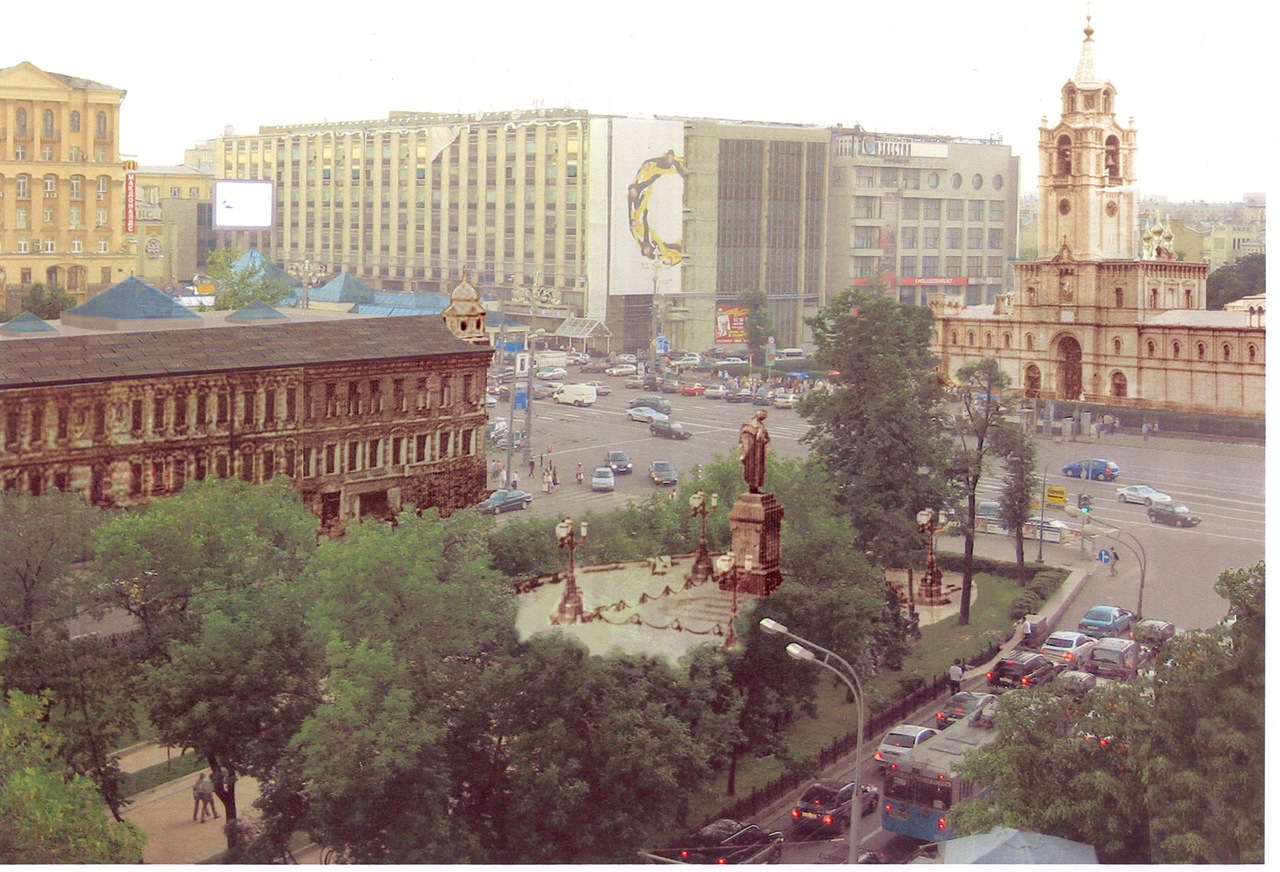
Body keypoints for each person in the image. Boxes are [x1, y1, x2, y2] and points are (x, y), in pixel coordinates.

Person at [738, 410, 771, 493]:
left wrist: (763, 439)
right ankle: (752, 488)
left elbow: (764, 438)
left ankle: (755, 488)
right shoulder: (749, 425)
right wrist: (745, 453)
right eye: (764, 415)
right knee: (752, 470)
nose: (765, 417)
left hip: (759, 453)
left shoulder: (760, 425)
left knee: (759, 471)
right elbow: (746, 440)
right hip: (752, 454)